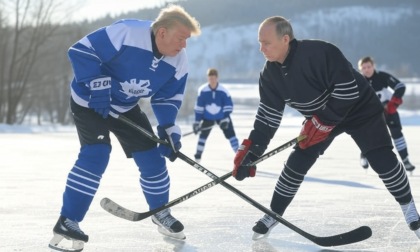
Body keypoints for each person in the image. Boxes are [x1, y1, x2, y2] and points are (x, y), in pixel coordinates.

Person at [232, 16, 420, 241]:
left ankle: (410, 210)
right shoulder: (269, 75)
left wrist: (320, 122)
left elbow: (348, 91)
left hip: (360, 110)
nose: (261, 48)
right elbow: (267, 118)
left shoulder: (320, 52)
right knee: (296, 163)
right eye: (259, 42)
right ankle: (273, 214)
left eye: (266, 42)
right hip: (320, 120)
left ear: (285, 39)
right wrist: (251, 153)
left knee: (381, 159)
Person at [49, 5, 201, 251]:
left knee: (152, 157)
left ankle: (160, 213)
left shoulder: (178, 60)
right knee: (96, 153)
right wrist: (96, 86)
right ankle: (68, 221)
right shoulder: (128, 32)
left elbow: (166, 98)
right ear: (162, 32)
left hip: (124, 106)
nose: (184, 45)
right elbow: (81, 50)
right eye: (181, 38)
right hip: (90, 101)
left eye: (187, 40)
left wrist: (168, 127)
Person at [358, 56, 415, 172]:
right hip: (371, 115)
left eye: (369, 66)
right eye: (364, 68)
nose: (367, 70)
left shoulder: (382, 76)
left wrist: (393, 103)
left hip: (388, 111)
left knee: (397, 134)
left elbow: (400, 86)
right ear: (360, 69)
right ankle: (364, 156)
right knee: (368, 136)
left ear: (373, 66)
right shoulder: (359, 81)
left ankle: (405, 160)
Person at [192, 68, 239, 162]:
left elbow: (228, 106)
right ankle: (197, 157)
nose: (212, 81)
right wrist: (197, 122)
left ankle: (240, 156)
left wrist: (225, 119)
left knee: (231, 135)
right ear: (207, 78)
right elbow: (199, 108)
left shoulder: (223, 91)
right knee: (202, 136)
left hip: (222, 118)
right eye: (210, 79)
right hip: (207, 118)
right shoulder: (203, 91)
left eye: (213, 79)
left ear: (217, 78)